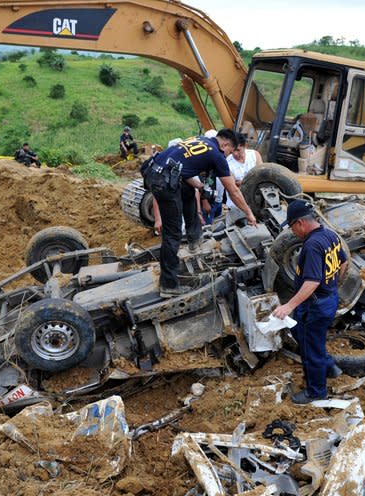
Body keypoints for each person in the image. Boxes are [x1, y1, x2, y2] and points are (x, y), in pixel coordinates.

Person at [141, 128, 257, 297]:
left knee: (188, 190)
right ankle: (169, 285)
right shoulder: (217, 155)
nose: (228, 156)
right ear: (225, 144)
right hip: (162, 183)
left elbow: (182, 170)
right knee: (172, 235)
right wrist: (249, 213)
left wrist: (200, 186)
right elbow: (233, 191)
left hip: (153, 172)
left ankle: (194, 239)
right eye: (230, 152)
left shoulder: (199, 140)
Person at [272, 200, 347, 404]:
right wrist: (332, 285)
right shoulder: (330, 235)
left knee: (310, 348)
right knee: (300, 332)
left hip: (315, 304)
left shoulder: (312, 245)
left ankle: (316, 392)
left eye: (291, 227)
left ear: (300, 223)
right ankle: (328, 365)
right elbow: (344, 262)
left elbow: (311, 283)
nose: (292, 232)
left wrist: (289, 306)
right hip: (328, 300)